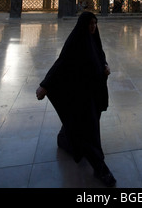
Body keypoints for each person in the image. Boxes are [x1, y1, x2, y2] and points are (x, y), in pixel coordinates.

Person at [36, 11, 116, 187]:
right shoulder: (75, 42)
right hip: (81, 96)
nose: (93, 27)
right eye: (89, 24)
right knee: (90, 133)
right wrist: (45, 85)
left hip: (94, 94)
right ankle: (101, 169)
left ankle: (65, 140)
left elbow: (100, 58)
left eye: (95, 23)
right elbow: (61, 63)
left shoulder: (95, 40)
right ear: (82, 25)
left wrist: (105, 67)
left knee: (81, 128)